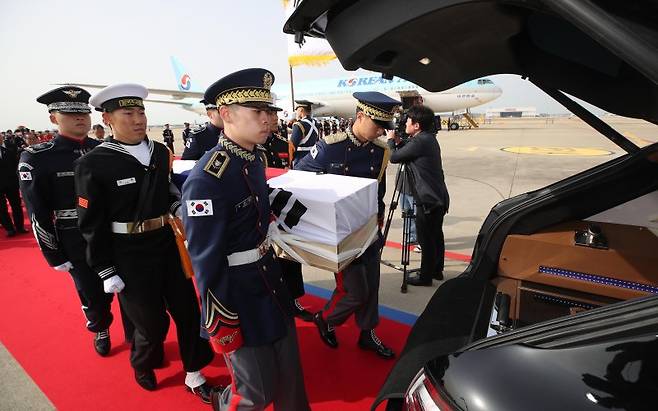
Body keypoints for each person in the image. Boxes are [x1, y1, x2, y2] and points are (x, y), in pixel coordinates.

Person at [75, 84, 216, 401]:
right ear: (109, 118)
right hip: (127, 252)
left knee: (188, 311)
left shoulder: (161, 151)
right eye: (128, 113)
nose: (138, 119)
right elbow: (91, 223)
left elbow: (166, 192)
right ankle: (143, 361)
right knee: (151, 323)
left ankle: (194, 373)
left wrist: (178, 207)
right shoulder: (93, 163)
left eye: (141, 112)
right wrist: (105, 269)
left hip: (166, 243)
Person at [182, 69, 310, 410]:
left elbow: (255, 201)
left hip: (269, 280)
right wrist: (221, 320)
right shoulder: (207, 180)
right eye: (259, 113)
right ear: (226, 115)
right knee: (255, 393)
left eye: (270, 112)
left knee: (290, 380)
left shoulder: (253, 155)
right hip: (238, 296)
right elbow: (205, 260)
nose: (269, 120)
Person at [18, 87, 134, 356]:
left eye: (83, 112)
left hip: (116, 233)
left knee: (131, 290)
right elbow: (38, 210)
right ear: (53, 119)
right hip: (75, 238)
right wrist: (53, 253)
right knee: (93, 293)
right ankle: (100, 327)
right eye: (70, 113)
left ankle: (137, 335)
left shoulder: (107, 149)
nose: (80, 118)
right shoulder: (38, 157)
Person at [296, 91, 399, 360]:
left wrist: (378, 222)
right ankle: (326, 319)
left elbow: (379, 189)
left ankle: (367, 334)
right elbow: (300, 175)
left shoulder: (381, 151)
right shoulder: (331, 146)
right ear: (361, 116)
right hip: (340, 232)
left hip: (368, 229)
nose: (380, 131)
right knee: (355, 291)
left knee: (372, 285)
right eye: (377, 124)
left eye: (384, 126)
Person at [388, 104, 450, 286]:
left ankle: (425, 277)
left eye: (408, 120)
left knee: (426, 239)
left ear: (416, 125)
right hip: (438, 196)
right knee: (436, 236)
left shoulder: (420, 141)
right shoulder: (427, 138)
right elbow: (409, 150)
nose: (405, 123)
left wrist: (392, 141)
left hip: (428, 199)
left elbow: (394, 158)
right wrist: (400, 142)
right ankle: (437, 271)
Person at [262, 109, 313, 322]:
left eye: (275, 114)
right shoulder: (255, 146)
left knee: (291, 259)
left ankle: (293, 299)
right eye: (269, 114)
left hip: (284, 213)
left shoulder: (285, 144)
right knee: (270, 263)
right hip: (264, 214)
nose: (275, 118)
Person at [0, 133, 26, 237]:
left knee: (16, 206)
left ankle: (20, 227)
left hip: (12, 184)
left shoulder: (9, 150)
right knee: (1, 208)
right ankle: (9, 228)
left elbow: (16, 166)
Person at [290, 100, 319, 167]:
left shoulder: (299, 125)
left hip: (301, 159)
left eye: (297, 110)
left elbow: (292, 147)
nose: (296, 112)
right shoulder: (316, 124)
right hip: (313, 157)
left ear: (301, 110)